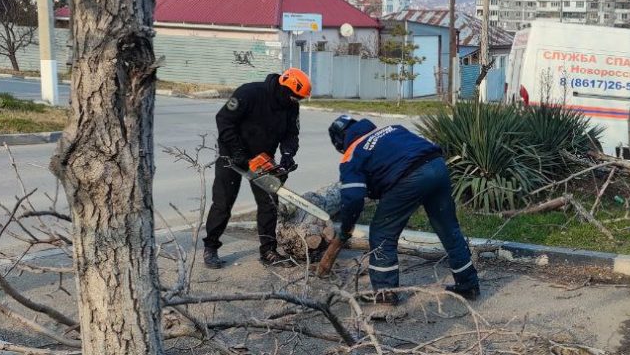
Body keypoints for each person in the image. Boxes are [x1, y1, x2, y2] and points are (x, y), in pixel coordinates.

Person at [328, 115, 481, 304]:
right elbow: (397, 160)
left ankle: (385, 296)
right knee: (449, 228)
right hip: (437, 165)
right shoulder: (393, 129)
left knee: (382, 234)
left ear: (338, 143)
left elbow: (352, 199)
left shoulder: (352, 153)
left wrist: (345, 230)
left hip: (409, 178)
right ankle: (469, 285)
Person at [202, 69, 311, 269]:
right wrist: (237, 152)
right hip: (232, 155)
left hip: (262, 159)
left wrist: (287, 155)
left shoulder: (290, 105)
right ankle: (210, 248)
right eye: (294, 96)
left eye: (299, 99)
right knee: (223, 203)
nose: (296, 101)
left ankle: (268, 251)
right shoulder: (249, 93)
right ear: (283, 87)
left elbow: (291, 133)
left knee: (269, 203)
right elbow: (224, 119)